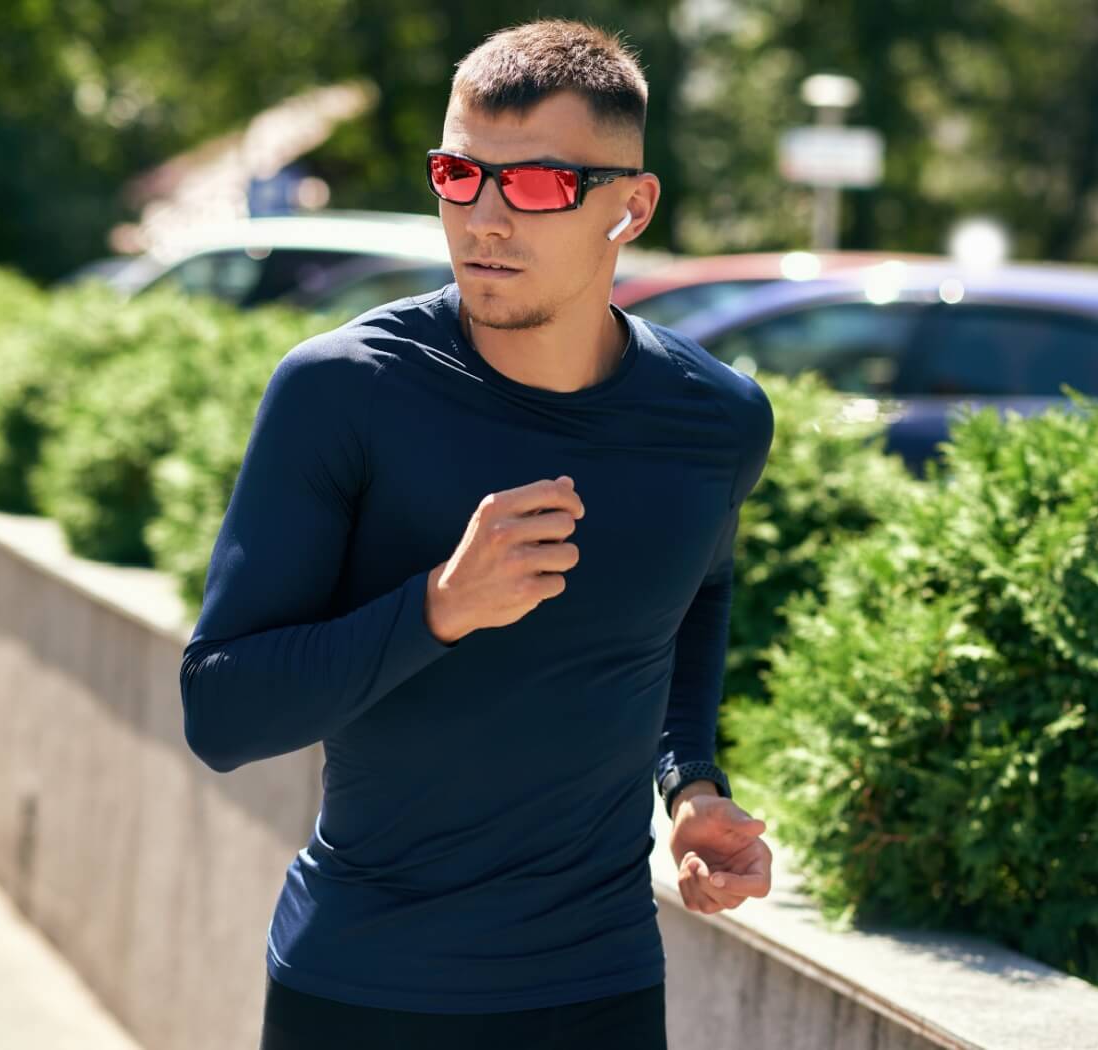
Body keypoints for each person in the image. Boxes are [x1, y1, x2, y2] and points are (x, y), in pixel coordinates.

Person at [179, 18, 776, 1050]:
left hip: (601, 990)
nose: (485, 219)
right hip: (362, 989)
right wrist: (438, 609)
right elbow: (222, 710)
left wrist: (692, 783)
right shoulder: (344, 392)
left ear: (629, 207)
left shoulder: (715, 422)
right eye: (460, 176)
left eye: (538, 185)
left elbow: (694, 599)